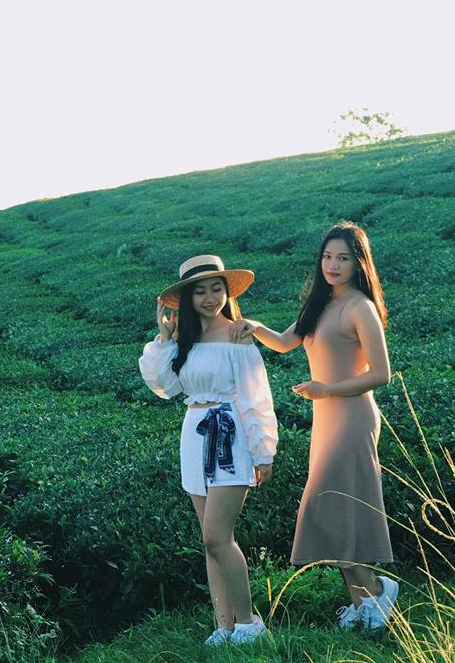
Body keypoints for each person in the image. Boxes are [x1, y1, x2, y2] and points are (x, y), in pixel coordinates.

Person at [230, 221, 398, 631]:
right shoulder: (319, 304)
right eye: (327, 257)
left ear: (359, 264)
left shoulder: (360, 308)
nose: (333, 265)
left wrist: (327, 389)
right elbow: (285, 342)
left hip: (352, 418)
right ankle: (363, 602)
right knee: (337, 510)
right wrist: (254, 327)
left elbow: (381, 374)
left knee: (328, 508)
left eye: (343, 258)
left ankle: (377, 590)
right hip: (327, 421)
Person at [139, 254, 278, 647]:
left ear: (227, 293)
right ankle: (224, 626)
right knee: (208, 539)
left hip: (230, 435)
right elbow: (165, 386)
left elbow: (256, 396)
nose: (210, 297)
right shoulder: (184, 341)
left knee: (217, 536)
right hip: (194, 434)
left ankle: (249, 623)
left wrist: (263, 451)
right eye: (200, 291)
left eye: (217, 289)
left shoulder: (237, 334)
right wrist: (164, 339)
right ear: (187, 298)